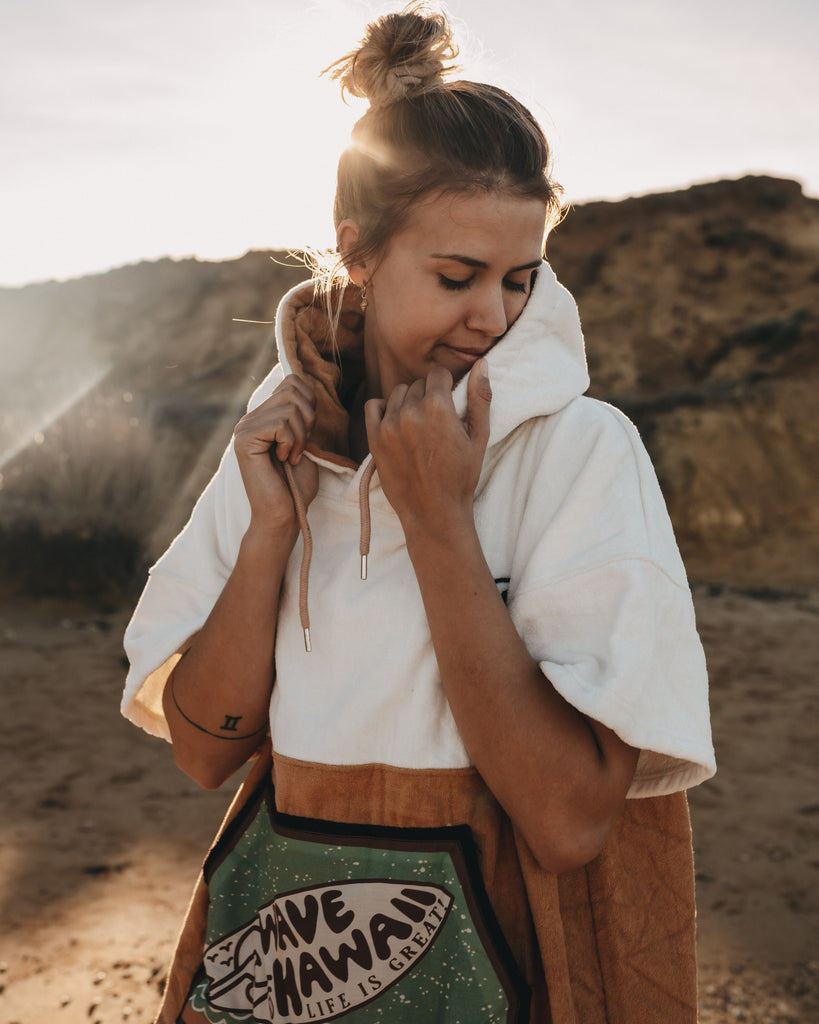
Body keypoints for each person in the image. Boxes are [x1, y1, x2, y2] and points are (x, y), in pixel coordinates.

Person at [121, 5, 715, 1022]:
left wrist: (439, 521)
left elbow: (573, 821)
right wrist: (270, 530)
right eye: (456, 275)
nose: (492, 314)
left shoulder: (581, 453)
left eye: (519, 279)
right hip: (290, 948)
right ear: (357, 248)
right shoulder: (281, 439)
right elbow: (204, 748)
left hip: (510, 967)